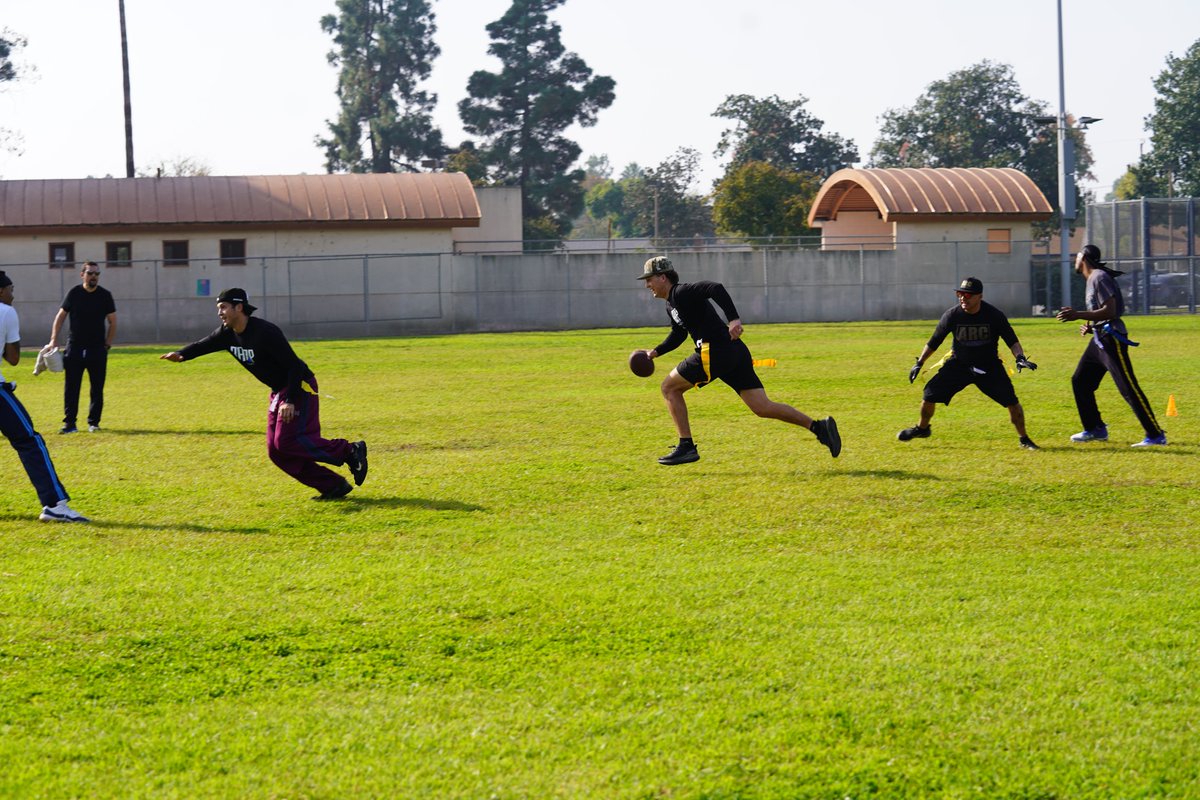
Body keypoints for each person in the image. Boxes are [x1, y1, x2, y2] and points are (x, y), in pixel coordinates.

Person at [160, 288, 369, 499]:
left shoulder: (265, 332)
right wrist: (181, 355)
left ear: (238, 307)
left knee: (287, 441)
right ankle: (332, 486)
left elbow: (294, 367)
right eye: (218, 308)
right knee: (276, 451)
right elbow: (203, 344)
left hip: (298, 386)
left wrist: (290, 400)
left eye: (223, 307)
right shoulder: (227, 333)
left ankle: (349, 451)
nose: (219, 312)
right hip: (279, 390)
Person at [636, 256, 841, 465]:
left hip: (714, 351)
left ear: (662, 277)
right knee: (762, 407)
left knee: (669, 388)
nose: (647, 285)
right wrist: (655, 352)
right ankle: (819, 427)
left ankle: (686, 446)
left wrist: (733, 318)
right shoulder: (672, 305)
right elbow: (678, 334)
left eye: (649, 279)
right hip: (733, 351)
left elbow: (715, 287)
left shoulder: (682, 292)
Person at [898, 277, 1039, 449]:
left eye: (968, 295)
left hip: (989, 366)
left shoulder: (994, 315)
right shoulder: (953, 315)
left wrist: (1020, 357)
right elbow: (934, 341)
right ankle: (922, 429)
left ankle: (1024, 439)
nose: (963, 298)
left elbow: (1012, 341)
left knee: (1012, 402)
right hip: (959, 365)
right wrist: (919, 363)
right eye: (960, 294)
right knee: (929, 394)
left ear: (980, 296)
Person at [0, 271, 89, 522]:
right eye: (10, 289)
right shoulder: (6, 312)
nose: (13, 295)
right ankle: (53, 504)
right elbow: (14, 358)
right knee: (29, 440)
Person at [1056, 244, 1166, 447]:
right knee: (1080, 381)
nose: (1075, 259)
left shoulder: (1099, 277)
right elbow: (1101, 312)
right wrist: (1090, 325)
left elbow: (1110, 311)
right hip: (1099, 338)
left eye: (1077, 255)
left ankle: (1155, 435)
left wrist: (1077, 314)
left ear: (1084, 258)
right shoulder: (1091, 279)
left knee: (1128, 387)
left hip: (1111, 338)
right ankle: (1095, 429)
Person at [49, 261, 117, 433]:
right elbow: (60, 316)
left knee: (97, 388)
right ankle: (69, 424)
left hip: (97, 349)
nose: (93, 276)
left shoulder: (105, 295)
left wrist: (107, 343)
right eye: (90, 273)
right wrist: (53, 340)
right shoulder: (74, 293)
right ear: (82, 275)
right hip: (75, 348)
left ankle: (94, 423)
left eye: (96, 274)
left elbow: (113, 321)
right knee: (71, 387)